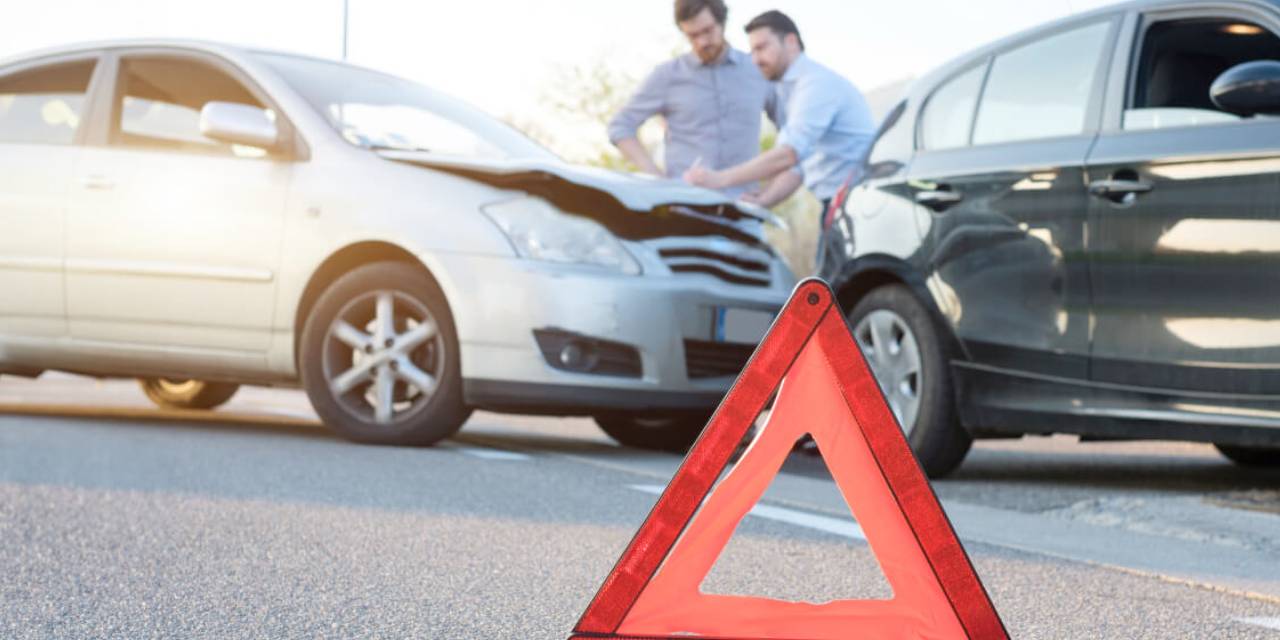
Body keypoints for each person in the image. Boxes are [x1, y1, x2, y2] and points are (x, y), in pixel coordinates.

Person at [684, 10, 876, 212]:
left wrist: (718, 179)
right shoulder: (791, 91)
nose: (756, 60)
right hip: (839, 203)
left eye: (762, 47)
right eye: (752, 52)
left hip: (858, 203)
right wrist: (764, 199)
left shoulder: (816, 85)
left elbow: (787, 155)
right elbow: (798, 166)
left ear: (791, 42)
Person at [607, 0, 770, 198]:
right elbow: (620, 126)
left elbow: (793, 136)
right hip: (684, 207)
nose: (702, 42)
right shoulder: (667, 75)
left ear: (722, 23)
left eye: (708, 31)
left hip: (744, 209)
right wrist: (657, 180)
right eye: (692, 35)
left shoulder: (758, 70)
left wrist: (769, 193)